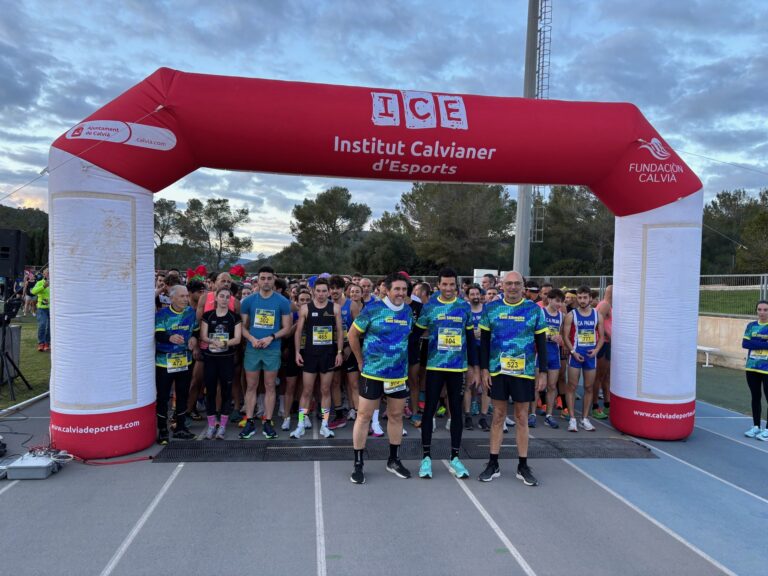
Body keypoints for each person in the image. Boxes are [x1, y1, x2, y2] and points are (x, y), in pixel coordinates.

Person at [478, 270, 547, 486]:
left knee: (521, 417)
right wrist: (484, 369)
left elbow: (542, 343)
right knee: (498, 415)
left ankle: (523, 465)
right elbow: (485, 342)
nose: (513, 287)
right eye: (509, 284)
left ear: (523, 287)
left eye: (518, 284)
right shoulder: (491, 309)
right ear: (502, 286)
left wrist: (542, 371)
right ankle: (493, 463)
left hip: (524, 372)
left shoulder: (534, 310)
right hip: (497, 371)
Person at [348, 273, 413, 484]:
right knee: (364, 416)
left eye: (404, 289)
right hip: (372, 373)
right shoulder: (373, 309)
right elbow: (352, 335)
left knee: (396, 416)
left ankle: (393, 460)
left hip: (397, 375)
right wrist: (359, 361)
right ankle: (358, 464)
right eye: (397, 289)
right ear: (386, 289)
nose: (401, 293)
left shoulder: (408, 311)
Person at [413, 268, 476, 479]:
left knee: (456, 411)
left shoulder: (464, 307)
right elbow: (415, 335)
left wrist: (474, 367)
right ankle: (426, 458)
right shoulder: (430, 306)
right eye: (445, 284)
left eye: (452, 285)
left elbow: (470, 338)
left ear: (456, 286)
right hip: (434, 367)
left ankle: (455, 458)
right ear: (438, 285)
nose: (448, 288)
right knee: (429, 410)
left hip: (457, 368)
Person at [239, 266, 292, 440]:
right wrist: (252, 339)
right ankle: (250, 421)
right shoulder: (249, 301)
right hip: (253, 349)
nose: (266, 281)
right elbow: (242, 328)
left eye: (269, 278)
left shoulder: (282, 301)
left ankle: (268, 421)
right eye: (263, 278)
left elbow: (287, 328)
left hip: (272, 350)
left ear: (273, 280)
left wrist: (271, 337)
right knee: (251, 386)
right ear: (258, 280)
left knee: (270, 386)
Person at [292, 278, 344, 439]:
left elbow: (340, 332)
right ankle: (300, 424)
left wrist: (340, 352)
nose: (321, 294)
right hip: (310, 355)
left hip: (328, 355)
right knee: (307, 391)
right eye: (318, 291)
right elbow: (298, 332)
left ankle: (324, 425)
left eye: (324, 291)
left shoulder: (335, 307)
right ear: (313, 291)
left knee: (325, 390)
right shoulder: (306, 309)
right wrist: (297, 352)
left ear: (328, 292)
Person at [154, 285, 199, 444]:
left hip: (184, 361)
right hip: (164, 363)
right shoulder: (162, 314)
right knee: (163, 397)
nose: (186, 299)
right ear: (172, 298)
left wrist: (194, 338)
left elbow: (196, 330)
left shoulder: (190, 312)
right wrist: (169, 338)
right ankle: (163, 430)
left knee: (182, 395)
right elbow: (158, 334)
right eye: (182, 296)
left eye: (187, 296)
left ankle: (180, 427)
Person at [200, 286, 242, 439]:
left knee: (226, 391)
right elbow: (203, 336)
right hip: (210, 358)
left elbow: (237, 339)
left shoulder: (234, 317)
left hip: (227, 359)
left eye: (227, 297)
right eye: (222, 296)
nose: (224, 299)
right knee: (210, 391)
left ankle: (222, 425)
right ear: (216, 298)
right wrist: (213, 341)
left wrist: (224, 343)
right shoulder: (208, 315)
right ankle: (211, 424)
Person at [562, 285, 605, 432]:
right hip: (576, 354)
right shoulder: (571, 315)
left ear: (590, 298)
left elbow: (602, 337)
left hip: (590, 356)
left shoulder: (597, 315)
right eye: (579, 297)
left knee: (588, 387)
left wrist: (596, 350)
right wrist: (573, 352)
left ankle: (585, 419)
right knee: (572, 386)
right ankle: (573, 419)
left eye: (585, 297)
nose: (582, 300)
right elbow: (565, 336)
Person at [742, 300, 768, 440]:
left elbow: (751, 343)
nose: (762, 312)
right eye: (760, 309)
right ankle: (756, 426)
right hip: (752, 367)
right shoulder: (751, 326)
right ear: (756, 311)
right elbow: (745, 343)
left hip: (767, 369)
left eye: (765, 310)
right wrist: (764, 343)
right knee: (755, 397)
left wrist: (755, 343)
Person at [541, 289, 566, 429]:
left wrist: (562, 341)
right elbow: (533, 332)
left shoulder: (562, 316)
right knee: (538, 385)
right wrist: (549, 337)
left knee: (551, 386)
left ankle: (549, 415)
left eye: (561, 302)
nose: (559, 304)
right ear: (549, 299)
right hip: (540, 352)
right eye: (557, 301)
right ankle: (531, 414)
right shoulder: (541, 313)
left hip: (554, 354)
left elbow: (562, 334)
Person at [593, 285, 613, 419]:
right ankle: (595, 406)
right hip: (603, 344)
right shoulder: (605, 305)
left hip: (606, 344)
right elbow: (595, 322)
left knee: (606, 377)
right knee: (599, 377)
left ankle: (607, 404)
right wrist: (607, 335)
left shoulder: (608, 305)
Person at [30, 269, 50, 352]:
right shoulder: (40, 282)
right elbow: (33, 291)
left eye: (50, 273)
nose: (49, 275)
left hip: (52, 309)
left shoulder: (56, 283)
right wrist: (43, 286)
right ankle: (41, 343)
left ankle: (47, 343)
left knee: (50, 327)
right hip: (42, 308)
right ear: (44, 274)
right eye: (47, 273)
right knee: (42, 325)